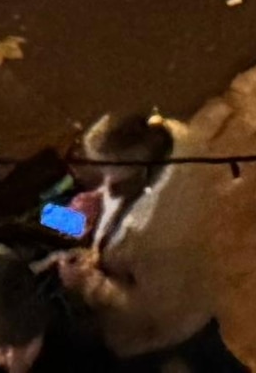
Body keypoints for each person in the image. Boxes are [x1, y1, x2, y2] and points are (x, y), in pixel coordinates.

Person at [57, 113, 233, 371]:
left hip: (161, 327)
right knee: (212, 352)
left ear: (126, 166)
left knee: (196, 353)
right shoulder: (175, 142)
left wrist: (87, 282)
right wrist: (103, 199)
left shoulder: (151, 238)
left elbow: (145, 307)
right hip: (198, 292)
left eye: (104, 167)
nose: (100, 175)